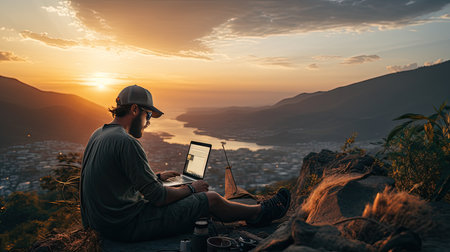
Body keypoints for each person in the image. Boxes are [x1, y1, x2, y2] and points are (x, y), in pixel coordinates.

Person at [79, 85, 290, 242]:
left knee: (187, 194)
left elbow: (115, 180)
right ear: (135, 110)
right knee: (210, 199)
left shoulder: (99, 134)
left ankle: (249, 211)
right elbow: (159, 198)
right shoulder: (126, 142)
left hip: (105, 224)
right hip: (126, 227)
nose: (149, 122)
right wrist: (191, 188)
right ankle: (259, 213)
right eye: (148, 115)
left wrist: (157, 178)